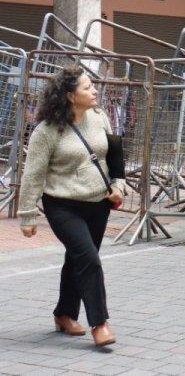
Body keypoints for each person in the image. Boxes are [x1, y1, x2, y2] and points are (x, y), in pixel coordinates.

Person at [17, 66, 125, 347]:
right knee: (89, 259)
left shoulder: (100, 117)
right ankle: (99, 323)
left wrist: (118, 186)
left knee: (78, 259)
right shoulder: (47, 130)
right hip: (62, 205)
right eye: (88, 87)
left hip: (98, 203)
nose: (94, 91)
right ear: (70, 95)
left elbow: (115, 157)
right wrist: (27, 214)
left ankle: (64, 314)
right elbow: (33, 174)